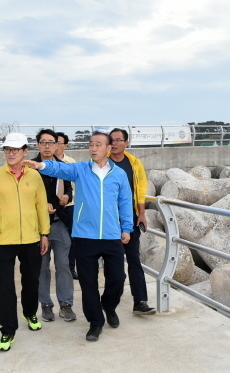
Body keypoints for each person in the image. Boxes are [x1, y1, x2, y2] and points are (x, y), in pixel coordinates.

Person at [22, 131, 133, 342]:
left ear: (108, 148)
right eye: (91, 144)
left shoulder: (118, 175)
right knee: (88, 283)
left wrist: (126, 228)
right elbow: (60, 167)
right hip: (84, 236)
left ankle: (109, 306)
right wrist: (40, 165)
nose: (93, 148)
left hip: (111, 236)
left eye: (98, 144)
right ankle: (95, 322)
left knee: (118, 279)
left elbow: (125, 202)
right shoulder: (80, 169)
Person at [0, 132, 50, 352]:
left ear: (25, 152)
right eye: (8, 149)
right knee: (5, 287)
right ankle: (8, 330)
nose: (11, 153)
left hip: (30, 239)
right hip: (3, 241)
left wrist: (44, 233)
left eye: (15, 150)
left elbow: (41, 205)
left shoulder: (34, 176)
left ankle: (29, 312)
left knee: (31, 281)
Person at [109, 128, 156, 316]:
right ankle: (111, 302)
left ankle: (140, 301)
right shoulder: (102, 162)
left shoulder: (134, 163)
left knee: (134, 260)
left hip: (131, 219)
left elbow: (141, 189)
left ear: (126, 143)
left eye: (119, 140)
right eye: (112, 140)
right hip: (109, 222)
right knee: (115, 264)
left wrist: (142, 213)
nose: (115, 143)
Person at [32, 129, 76, 322]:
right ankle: (46, 304)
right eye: (44, 142)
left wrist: (67, 196)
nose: (48, 146)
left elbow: (67, 188)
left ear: (58, 145)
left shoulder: (63, 167)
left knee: (63, 265)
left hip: (59, 223)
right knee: (41, 267)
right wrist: (42, 207)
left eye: (52, 142)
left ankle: (66, 304)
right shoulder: (30, 167)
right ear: (38, 145)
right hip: (36, 226)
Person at [55, 131, 78, 280]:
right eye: (53, 142)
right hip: (50, 208)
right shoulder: (44, 162)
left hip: (69, 206)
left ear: (65, 145)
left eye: (59, 143)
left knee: (71, 240)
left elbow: (75, 185)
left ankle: (71, 268)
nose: (56, 146)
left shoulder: (71, 163)